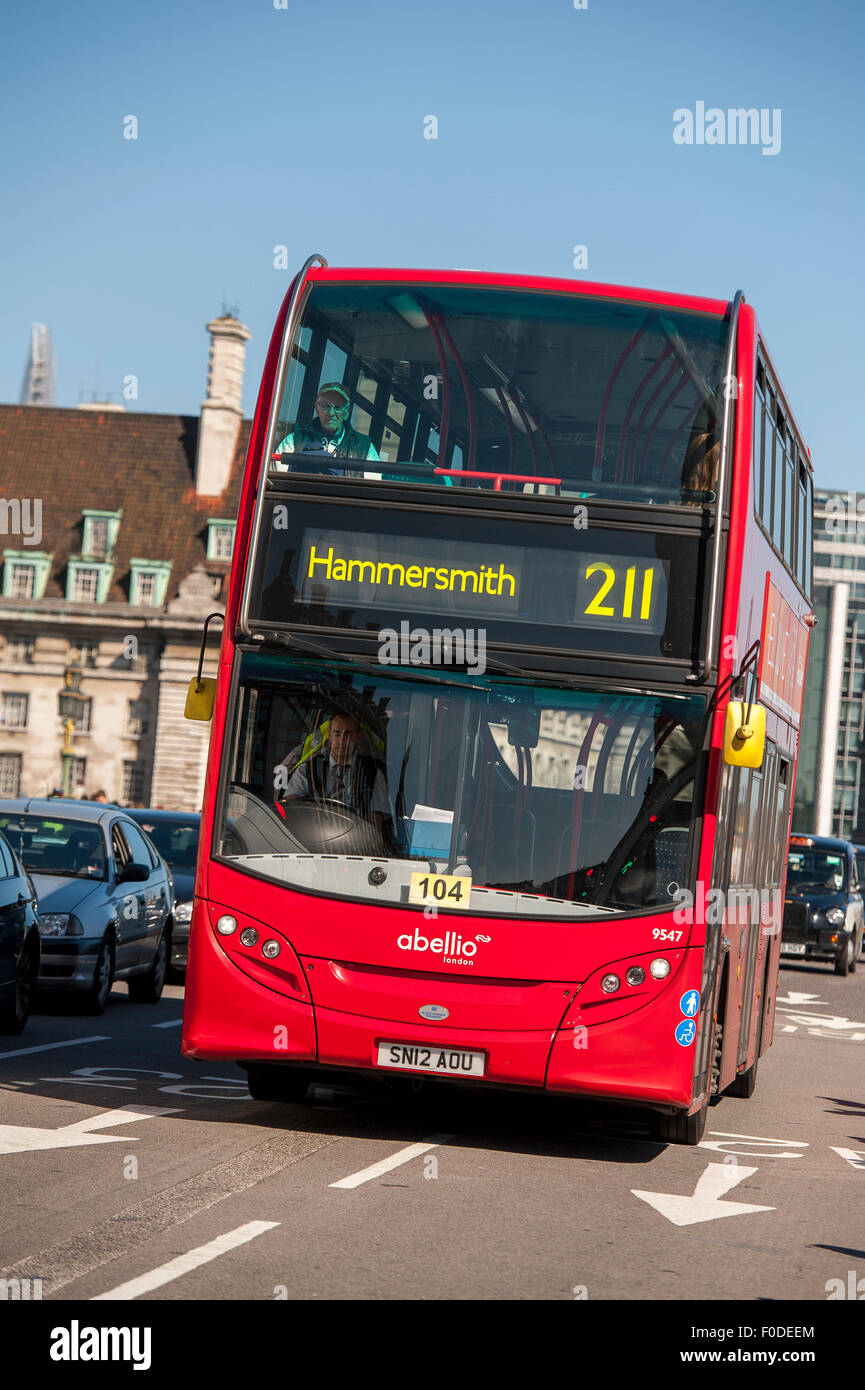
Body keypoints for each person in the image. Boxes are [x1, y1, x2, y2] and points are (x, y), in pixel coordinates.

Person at [277, 711, 391, 831]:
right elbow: (292, 806)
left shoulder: (372, 773)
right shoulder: (308, 768)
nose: (342, 741)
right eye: (337, 734)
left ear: (359, 737)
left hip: (356, 843)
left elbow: (375, 825)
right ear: (329, 735)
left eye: (348, 734)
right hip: (314, 838)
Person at [272, 382, 380, 475]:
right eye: (325, 406)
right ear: (317, 408)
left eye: (338, 408)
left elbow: (372, 490)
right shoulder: (295, 439)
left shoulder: (365, 447)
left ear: (347, 412)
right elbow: (278, 481)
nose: (331, 413)